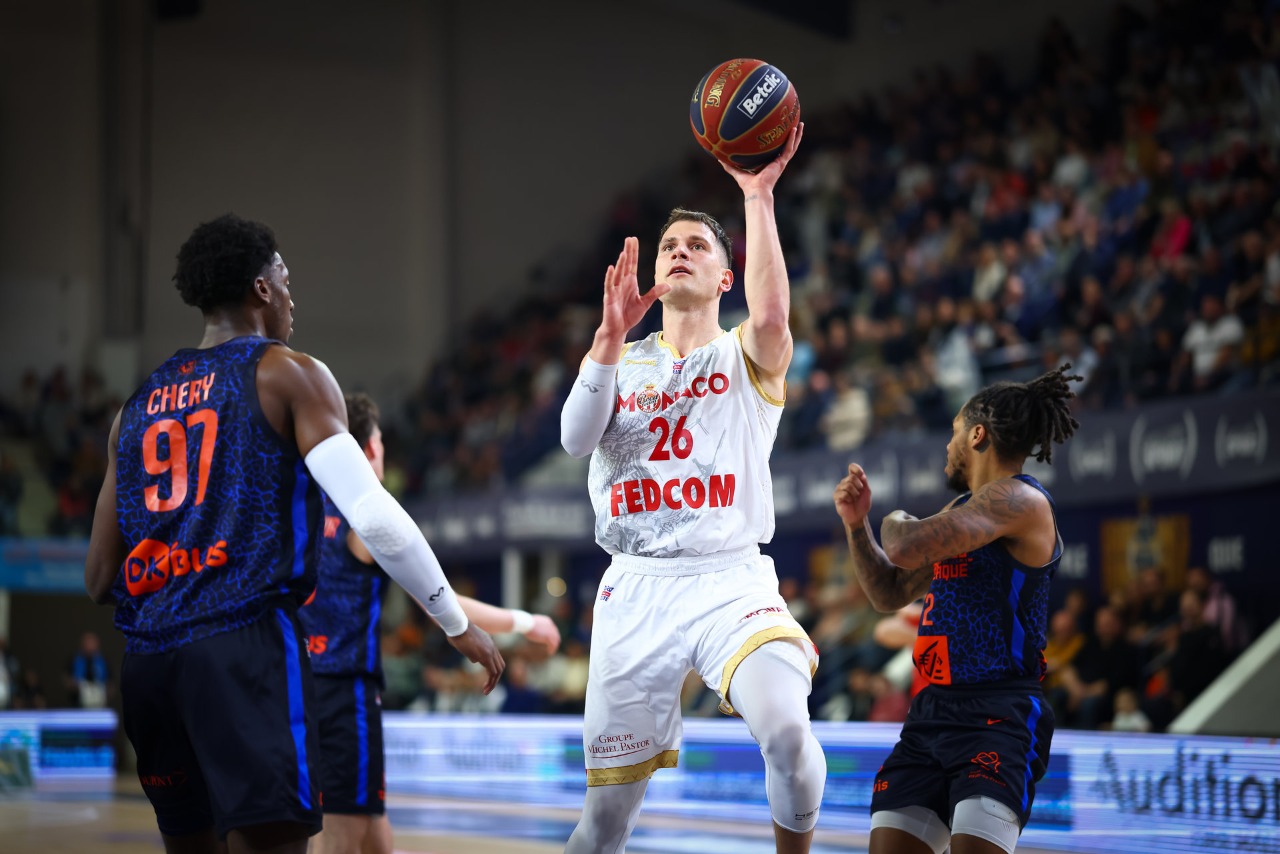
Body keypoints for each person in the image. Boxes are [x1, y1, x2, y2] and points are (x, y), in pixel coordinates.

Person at [84, 214, 503, 854]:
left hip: (148, 666)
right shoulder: (287, 373)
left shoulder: (134, 407)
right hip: (242, 652)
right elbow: (372, 514)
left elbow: (97, 578)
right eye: (285, 279)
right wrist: (454, 622)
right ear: (261, 288)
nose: (290, 295)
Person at [560, 125, 827, 854]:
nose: (680, 251)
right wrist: (606, 342)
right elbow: (575, 440)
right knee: (602, 823)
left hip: (728, 579)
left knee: (786, 731)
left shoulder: (746, 355)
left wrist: (756, 193)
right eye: (670, 245)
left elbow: (773, 317)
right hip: (635, 589)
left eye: (698, 246)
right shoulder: (617, 360)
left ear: (724, 280)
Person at [833, 364, 1081, 854]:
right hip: (932, 712)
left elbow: (903, 545)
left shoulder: (1022, 500)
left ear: (977, 434)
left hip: (999, 712)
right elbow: (888, 592)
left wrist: (895, 517)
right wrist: (856, 526)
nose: (948, 446)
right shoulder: (964, 511)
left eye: (953, 432)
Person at [301, 392, 561, 854]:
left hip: (295, 684)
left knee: (373, 830)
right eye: (381, 442)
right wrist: (524, 621)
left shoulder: (302, 509)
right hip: (342, 691)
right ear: (369, 448)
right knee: (339, 837)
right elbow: (436, 599)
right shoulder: (362, 516)